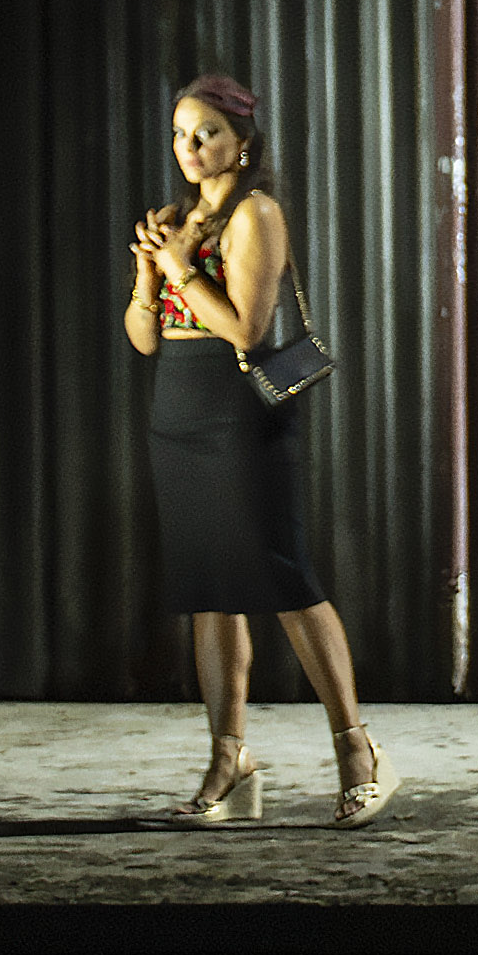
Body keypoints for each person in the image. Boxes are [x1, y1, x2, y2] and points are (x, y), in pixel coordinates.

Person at [124, 77, 392, 830]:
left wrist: (179, 267)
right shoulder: (179, 219)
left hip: (239, 410)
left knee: (284, 578)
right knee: (209, 586)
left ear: (242, 140)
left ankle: (358, 751)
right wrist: (150, 278)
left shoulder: (255, 213)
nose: (190, 148)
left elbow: (246, 329)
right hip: (176, 403)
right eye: (180, 134)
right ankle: (228, 762)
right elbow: (143, 337)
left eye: (206, 133)